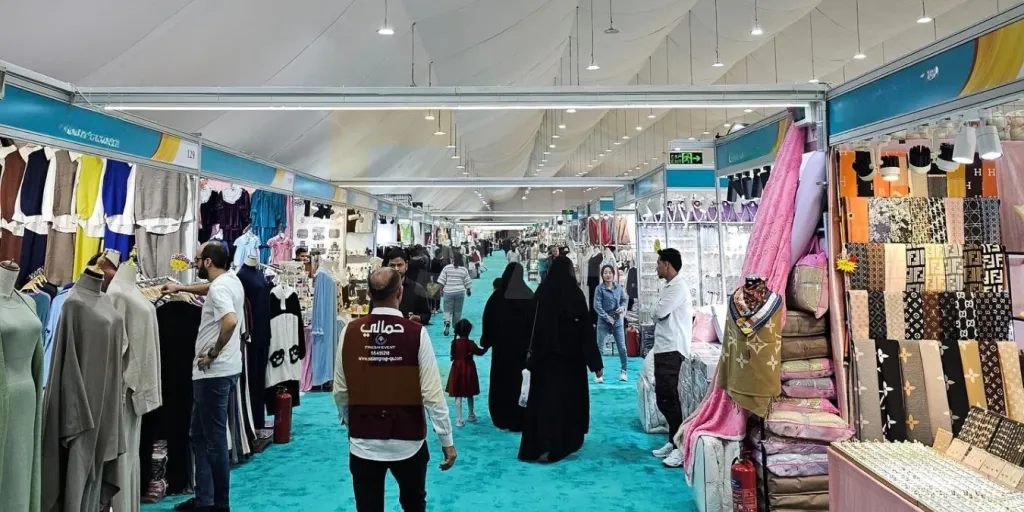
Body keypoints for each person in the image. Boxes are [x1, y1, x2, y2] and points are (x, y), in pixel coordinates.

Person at [333, 267, 457, 511]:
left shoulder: (350, 331)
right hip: (408, 440)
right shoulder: (416, 333)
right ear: (400, 292)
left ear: (369, 294)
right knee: (414, 504)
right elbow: (432, 394)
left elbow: (340, 390)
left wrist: (351, 423)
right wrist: (447, 440)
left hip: (364, 441)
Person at [164, 242, 245, 512]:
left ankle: (220, 504)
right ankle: (205, 499)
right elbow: (211, 289)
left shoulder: (221, 287)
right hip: (221, 372)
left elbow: (230, 320)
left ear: (208, 262)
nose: (196, 263)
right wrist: (181, 288)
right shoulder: (230, 281)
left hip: (213, 373)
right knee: (199, 435)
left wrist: (213, 352)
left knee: (214, 440)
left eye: (198, 259)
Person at [518, 257, 603, 463]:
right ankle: (562, 443)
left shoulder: (541, 293)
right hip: (570, 363)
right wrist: (595, 363)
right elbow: (585, 331)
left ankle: (538, 445)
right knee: (566, 404)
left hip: (543, 361)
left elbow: (529, 326)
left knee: (544, 403)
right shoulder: (574, 295)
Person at [649, 248, 693, 468]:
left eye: (658, 263)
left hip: (672, 348)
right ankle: (673, 440)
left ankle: (680, 447)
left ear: (667, 264)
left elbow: (658, 312)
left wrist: (656, 311)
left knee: (668, 398)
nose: (656, 267)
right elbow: (657, 312)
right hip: (664, 347)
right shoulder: (669, 286)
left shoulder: (678, 287)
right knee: (663, 396)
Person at [481, 263, 534, 432]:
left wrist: (486, 342)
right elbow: (535, 325)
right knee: (520, 383)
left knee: (502, 382)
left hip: (502, 351)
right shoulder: (529, 296)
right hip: (522, 352)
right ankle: (520, 416)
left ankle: (502, 416)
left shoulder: (497, 297)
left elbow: (488, 320)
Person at [371, 249, 432, 325]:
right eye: (392, 265)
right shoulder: (380, 288)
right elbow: (371, 314)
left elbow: (426, 314)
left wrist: (418, 317)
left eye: (399, 265)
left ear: (406, 265)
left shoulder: (417, 289)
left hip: (408, 329)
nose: (396, 269)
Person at [446, 319, 487, 428]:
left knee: (457, 395)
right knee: (470, 393)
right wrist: (487, 346)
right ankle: (471, 415)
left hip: (456, 370)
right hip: (469, 370)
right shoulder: (471, 343)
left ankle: (459, 420)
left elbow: (452, 356)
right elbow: (480, 352)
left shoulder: (454, 343)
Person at [593, 263, 628, 383]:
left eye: (610, 273)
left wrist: (622, 307)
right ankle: (599, 373)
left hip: (617, 321)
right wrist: (607, 317)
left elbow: (624, 300)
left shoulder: (619, 288)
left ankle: (624, 371)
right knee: (599, 348)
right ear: (602, 275)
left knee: (622, 348)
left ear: (613, 274)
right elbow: (597, 306)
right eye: (605, 273)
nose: (607, 275)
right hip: (603, 321)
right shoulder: (599, 289)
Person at [438, 252, 472, 337]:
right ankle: (456, 327)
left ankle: (447, 322)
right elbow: (467, 281)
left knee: (447, 310)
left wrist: (441, 291)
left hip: (448, 292)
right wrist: (468, 290)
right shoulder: (463, 269)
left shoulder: (447, 268)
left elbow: (442, 280)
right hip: (460, 292)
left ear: (453, 259)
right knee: (457, 311)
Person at [428, 249, 445, 313]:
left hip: (436, 278)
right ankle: (434, 308)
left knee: (436, 294)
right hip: (436, 279)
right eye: (441, 253)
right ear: (439, 254)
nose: (442, 254)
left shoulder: (434, 260)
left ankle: (436, 307)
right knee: (436, 294)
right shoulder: (437, 262)